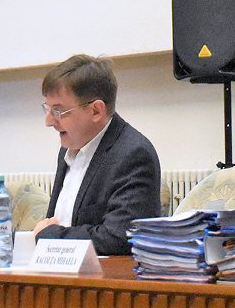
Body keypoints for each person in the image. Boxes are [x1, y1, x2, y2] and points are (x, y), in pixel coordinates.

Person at [34, 54, 161, 255]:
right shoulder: (68, 149)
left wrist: (51, 236)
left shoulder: (133, 154)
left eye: (58, 111)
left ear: (96, 111)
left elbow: (120, 237)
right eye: (48, 109)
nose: (48, 121)